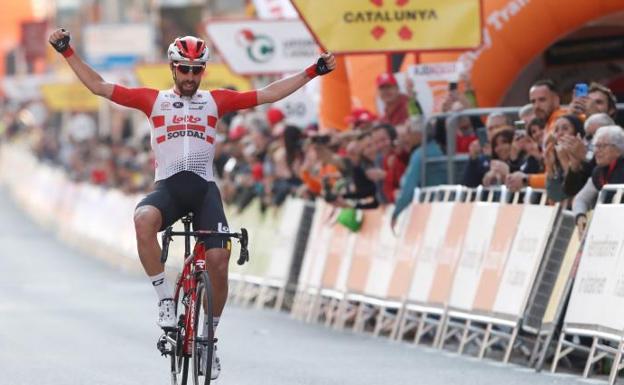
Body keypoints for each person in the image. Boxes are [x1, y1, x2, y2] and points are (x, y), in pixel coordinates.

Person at [48, 28, 335, 379]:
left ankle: (210, 340)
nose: (189, 76)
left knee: (218, 258)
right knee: (142, 219)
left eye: (196, 70)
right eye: (183, 69)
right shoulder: (152, 100)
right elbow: (99, 86)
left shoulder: (216, 101)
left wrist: (312, 71)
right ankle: (165, 300)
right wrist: (67, 50)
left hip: (203, 190)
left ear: (203, 71)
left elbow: (268, 94)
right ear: (172, 68)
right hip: (168, 187)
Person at [573, 125, 624, 235]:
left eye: (602, 146)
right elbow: (581, 199)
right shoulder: (599, 171)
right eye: (595, 146)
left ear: (619, 149)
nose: (596, 151)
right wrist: (580, 215)